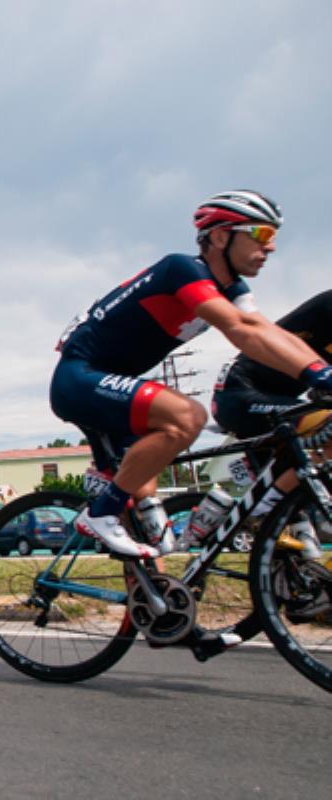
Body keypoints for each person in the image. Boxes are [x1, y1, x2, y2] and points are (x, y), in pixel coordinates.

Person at [51, 190, 332, 651]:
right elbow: (239, 331)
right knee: (187, 416)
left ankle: (161, 610)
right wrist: (318, 372)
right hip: (80, 378)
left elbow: (266, 332)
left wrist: (321, 374)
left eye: (274, 237)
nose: (271, 247)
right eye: (261, 235)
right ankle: (98, 514)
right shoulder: (184, 269)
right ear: (220, 236)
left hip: (112, 384)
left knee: (147, 520)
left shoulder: (233, 288)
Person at [210, 289, 332, 551]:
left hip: (268, 398)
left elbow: (317, 391)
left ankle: (279, 507)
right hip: (239, 394)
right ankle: (259, 513)